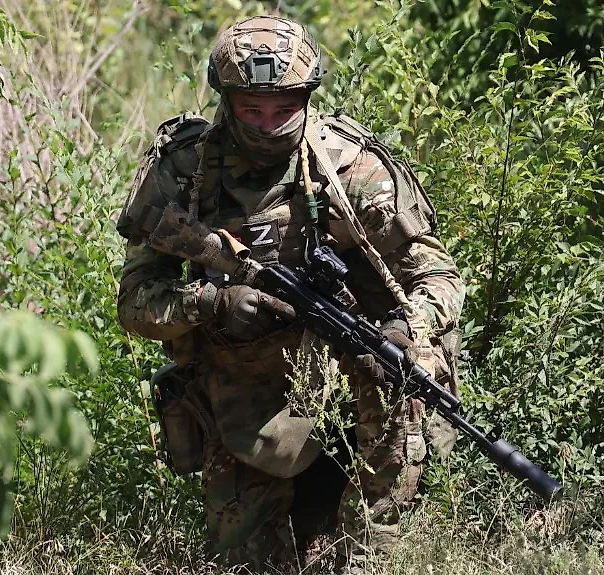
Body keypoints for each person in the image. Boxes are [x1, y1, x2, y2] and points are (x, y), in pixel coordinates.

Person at [115, 14, 465, 572]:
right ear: (226, 99)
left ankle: (367, 544)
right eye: (252, 109)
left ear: (308, 95)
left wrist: (402, 329)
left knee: (408, 369)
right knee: (246, 561)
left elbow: (440, 278)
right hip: (246, 383)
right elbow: (135, 301)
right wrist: (212, 304)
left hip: (355, 370)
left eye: (285, 108)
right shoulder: (183, 170)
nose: (268, 125)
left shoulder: (351, 168)